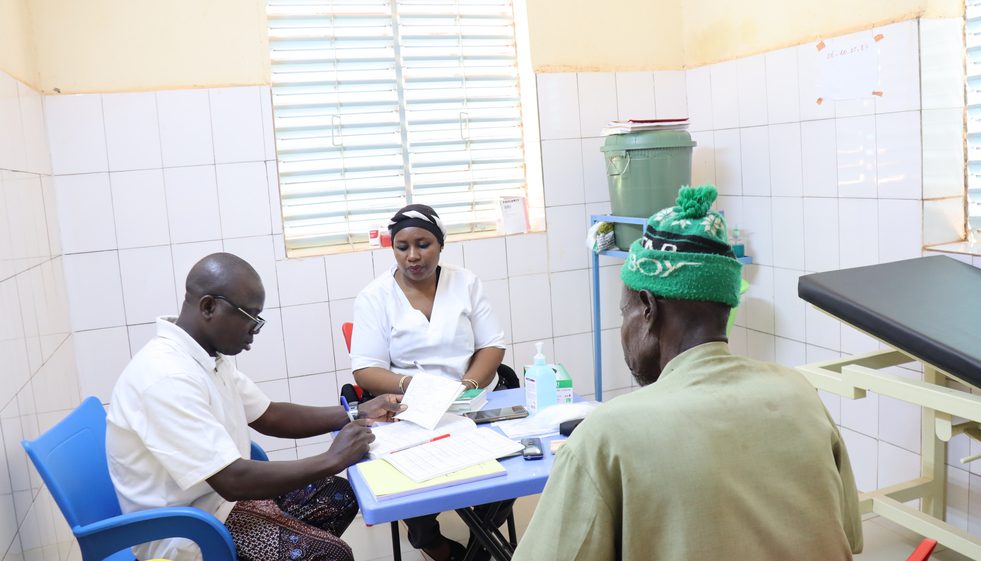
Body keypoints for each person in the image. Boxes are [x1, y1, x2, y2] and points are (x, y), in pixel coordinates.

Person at [511, 186, 863, 561]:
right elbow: (850, 535)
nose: (623, 330)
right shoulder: (799, 393)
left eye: (623, 312)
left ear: (648, 308)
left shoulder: (609, 434)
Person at [106, 252, 405, 561]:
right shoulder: (166, 377)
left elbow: (270, 415)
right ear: (209, 306)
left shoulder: (207, 357)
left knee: (338, 496)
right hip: (190, 531)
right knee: (331, 555)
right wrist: (333, 457)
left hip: (219, 503)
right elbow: (232, 480)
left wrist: (355, 413)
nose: (256, 329)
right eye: (250, 317)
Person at [350, 204, 508, 561]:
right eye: (402, 247)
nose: (413, 256)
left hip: (471, 400)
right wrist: (413, 385)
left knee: (508, 469)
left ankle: (479, 549)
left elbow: (491, 345)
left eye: (423, 244)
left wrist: (468, 385)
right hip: (409, 408)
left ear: (440, 245)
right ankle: (437, 548)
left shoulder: (465, 282)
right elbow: (365, 370)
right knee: (404, 485)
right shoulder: (375, 297)